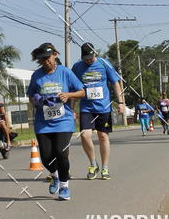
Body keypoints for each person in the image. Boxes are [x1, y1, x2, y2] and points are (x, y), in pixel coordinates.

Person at [27, 42, 84, 200]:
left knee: (61, 153)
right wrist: (37, 99)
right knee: (46, 157)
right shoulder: (36, 75)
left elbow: (81, 91)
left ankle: (64, 187)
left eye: (48, 58)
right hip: (43, 123)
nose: (46, 61)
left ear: (55, 55)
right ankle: (55, 176)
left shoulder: (65, 72)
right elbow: (30, 95)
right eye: (42, 59)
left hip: (63, 121)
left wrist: (68, 95)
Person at [71, 42, 124, 180]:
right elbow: (74, 90)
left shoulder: (104, 64)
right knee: (84, 135)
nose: (88, 60)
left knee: (103, 136)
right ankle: (93, 164)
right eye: (85, 58)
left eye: (90, 57)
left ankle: (105, 167)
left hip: (103, 107)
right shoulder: (77, 67)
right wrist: (71, 109)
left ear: (95, 53)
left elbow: (115, 83)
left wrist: (121, 102)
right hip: (86, 107)